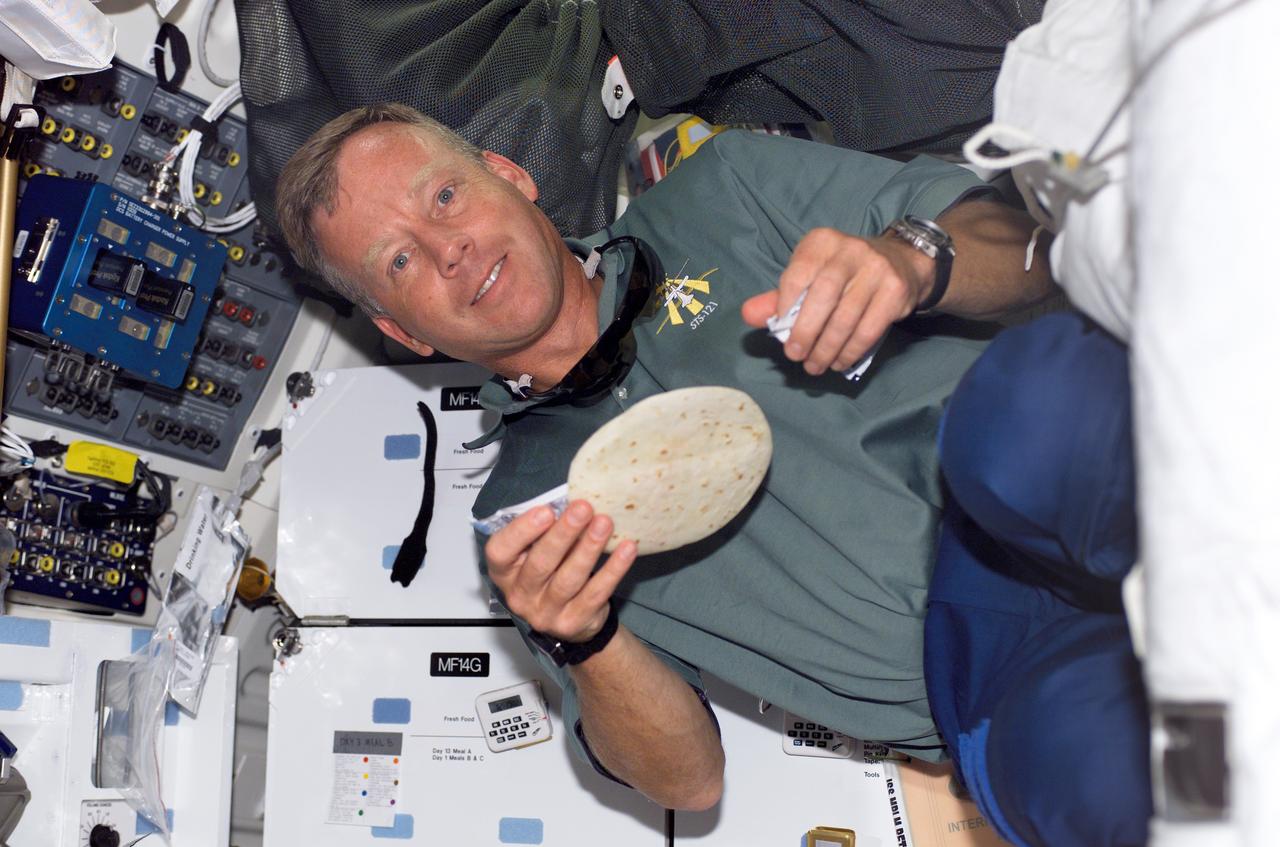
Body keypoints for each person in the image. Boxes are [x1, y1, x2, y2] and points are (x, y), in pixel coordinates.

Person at [274, 103, 1054, 811]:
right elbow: (688, 780)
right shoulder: (526, 529)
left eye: (443, 196)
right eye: (398, 263)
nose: (448, 249)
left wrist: (918, 262)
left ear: (508, 174)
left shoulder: (728, 186)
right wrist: (582, 636)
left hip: (1060, 480)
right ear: (407, 336)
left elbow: (1040, 256)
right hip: (1002, 698)